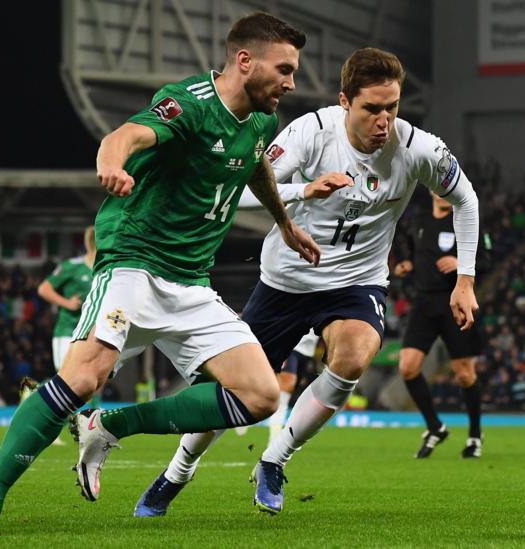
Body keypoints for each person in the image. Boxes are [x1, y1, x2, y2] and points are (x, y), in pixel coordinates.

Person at [0, 12, 318, 537]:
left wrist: (283, 222)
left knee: (260, 396)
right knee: (83, 377)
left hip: (191, 282)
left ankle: (110, 426)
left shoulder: (261, 121)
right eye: (283, 69)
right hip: (135, 264)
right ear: (244, 61)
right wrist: (113, 162)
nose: (291, 82)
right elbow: (125, 134)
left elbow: (255, 163)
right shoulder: (189, 102)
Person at [127, 47, 479, 518]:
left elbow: (467, 200)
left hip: (356, 282)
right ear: (344, 102)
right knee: (232, 391)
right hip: (285, 282)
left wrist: (466, 281)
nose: (384, 121)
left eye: (391, 108)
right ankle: (178, 471)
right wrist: (303, 190)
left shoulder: (418, 148)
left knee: (353, 355)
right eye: (371, 108)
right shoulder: (311, 133)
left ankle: (275, 459)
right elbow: (241, 192)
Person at [392, 191, 490, 459]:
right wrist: (406, 265)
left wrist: (461, 263)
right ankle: (435, 427)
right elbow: (412, 253)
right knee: (408, 367)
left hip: (454, 304)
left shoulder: (466, 219)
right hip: (423, 304)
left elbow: (485, 260)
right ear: (432, 190)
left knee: (465, 374)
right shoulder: (419, 220)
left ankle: (474, 435)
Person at [36, 226, 98, 407]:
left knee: (92, 377)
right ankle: (35, 398)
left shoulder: (106, 269)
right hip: (68, 329)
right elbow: (43, 289)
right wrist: (67, 303)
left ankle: (91, 423)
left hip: (92, 332)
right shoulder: (72, 267)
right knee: (67, 380)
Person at [268, 329, 320, 443]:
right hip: (292, 346)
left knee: (298, 394)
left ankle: (288, 436)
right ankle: (274, 439)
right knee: (285, 390)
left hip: (308, 353)